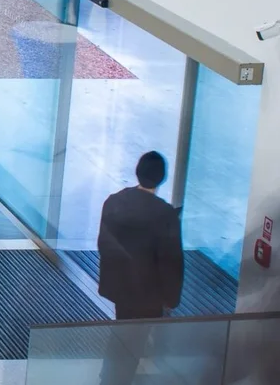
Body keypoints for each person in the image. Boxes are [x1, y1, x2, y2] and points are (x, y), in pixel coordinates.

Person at [97, 151, 183, 385]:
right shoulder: (165, 214)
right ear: (162, 177)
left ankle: (110, 376)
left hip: (120, 285)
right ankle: (118, 379)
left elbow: (104, 242)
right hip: (148, 292)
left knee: (123, 330)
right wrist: (171, 297)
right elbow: (171, 260)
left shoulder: (114, 201)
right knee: (136, 339)